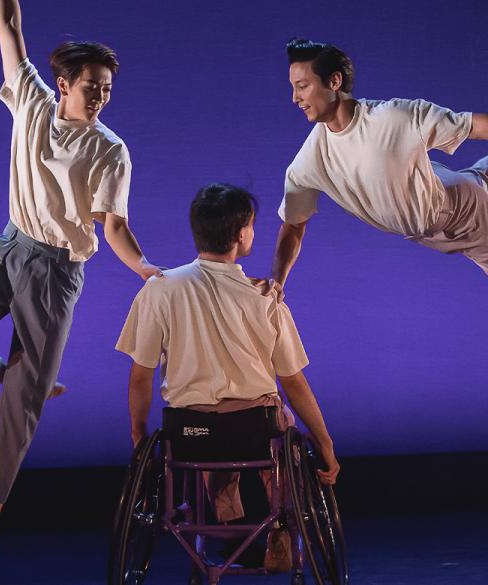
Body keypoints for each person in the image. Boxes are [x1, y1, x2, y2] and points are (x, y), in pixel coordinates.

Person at [0, 1, 162, 582]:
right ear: (64, 84)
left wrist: (145, 269)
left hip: (55, 272)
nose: (100, 98)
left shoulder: (110, 150)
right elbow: (9, 25)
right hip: (8, 249)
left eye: (108, 90)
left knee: (22, 405)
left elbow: (111, 224)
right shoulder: (31, 100)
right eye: (92, 87)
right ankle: (10, 373)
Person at [261, 38, 488, 384]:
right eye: (293, 87)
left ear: (334, 81)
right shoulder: (307, 163)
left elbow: (472, 125)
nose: (295, 98)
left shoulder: (394, 116)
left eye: (303, 86)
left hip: (459, 213)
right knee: (477, 181)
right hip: (433, 200)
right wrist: (279, 280)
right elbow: (292, 226)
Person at [117, 183, 341, 572]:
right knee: (280, 425)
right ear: (241, 235)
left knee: (211, 437)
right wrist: (325, 443)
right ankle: (280, 529)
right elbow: (294, 382)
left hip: (190, 436)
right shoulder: (265, 297)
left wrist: (140, 441)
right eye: (253, 226)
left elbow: (140, 378)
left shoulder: (159, 291)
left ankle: (229, 528)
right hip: (257, 432)